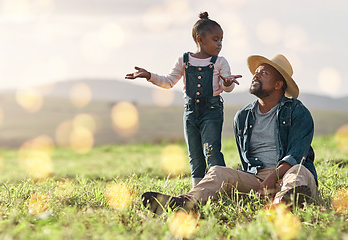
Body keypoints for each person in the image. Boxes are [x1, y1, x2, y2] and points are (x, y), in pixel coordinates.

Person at [141, 54, 318, 214]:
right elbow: (246, 161)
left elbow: (296, 155)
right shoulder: (243, 117)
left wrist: (273, 178)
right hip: (258, 181)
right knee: (218, 171)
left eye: (263, 73)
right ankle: (183, 203)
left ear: (279, 84)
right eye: (255, 72)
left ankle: (283, 201)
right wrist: (259, 182)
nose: (255, 75)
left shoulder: (297, 112)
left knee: (298, 170)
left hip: (290, 175)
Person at [125, 12, 241, 187]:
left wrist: (227, 83)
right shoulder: (184, 61)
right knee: (194, 153)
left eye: (221, 40)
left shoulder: (220, 62)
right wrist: (149, 75)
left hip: (212, 111)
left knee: (212, 151)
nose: (220, 44)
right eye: (215, 39)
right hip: (190, 112)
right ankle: (198, 190)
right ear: (200, 39)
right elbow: (169, 82)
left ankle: (221, 187)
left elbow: (228, 88)